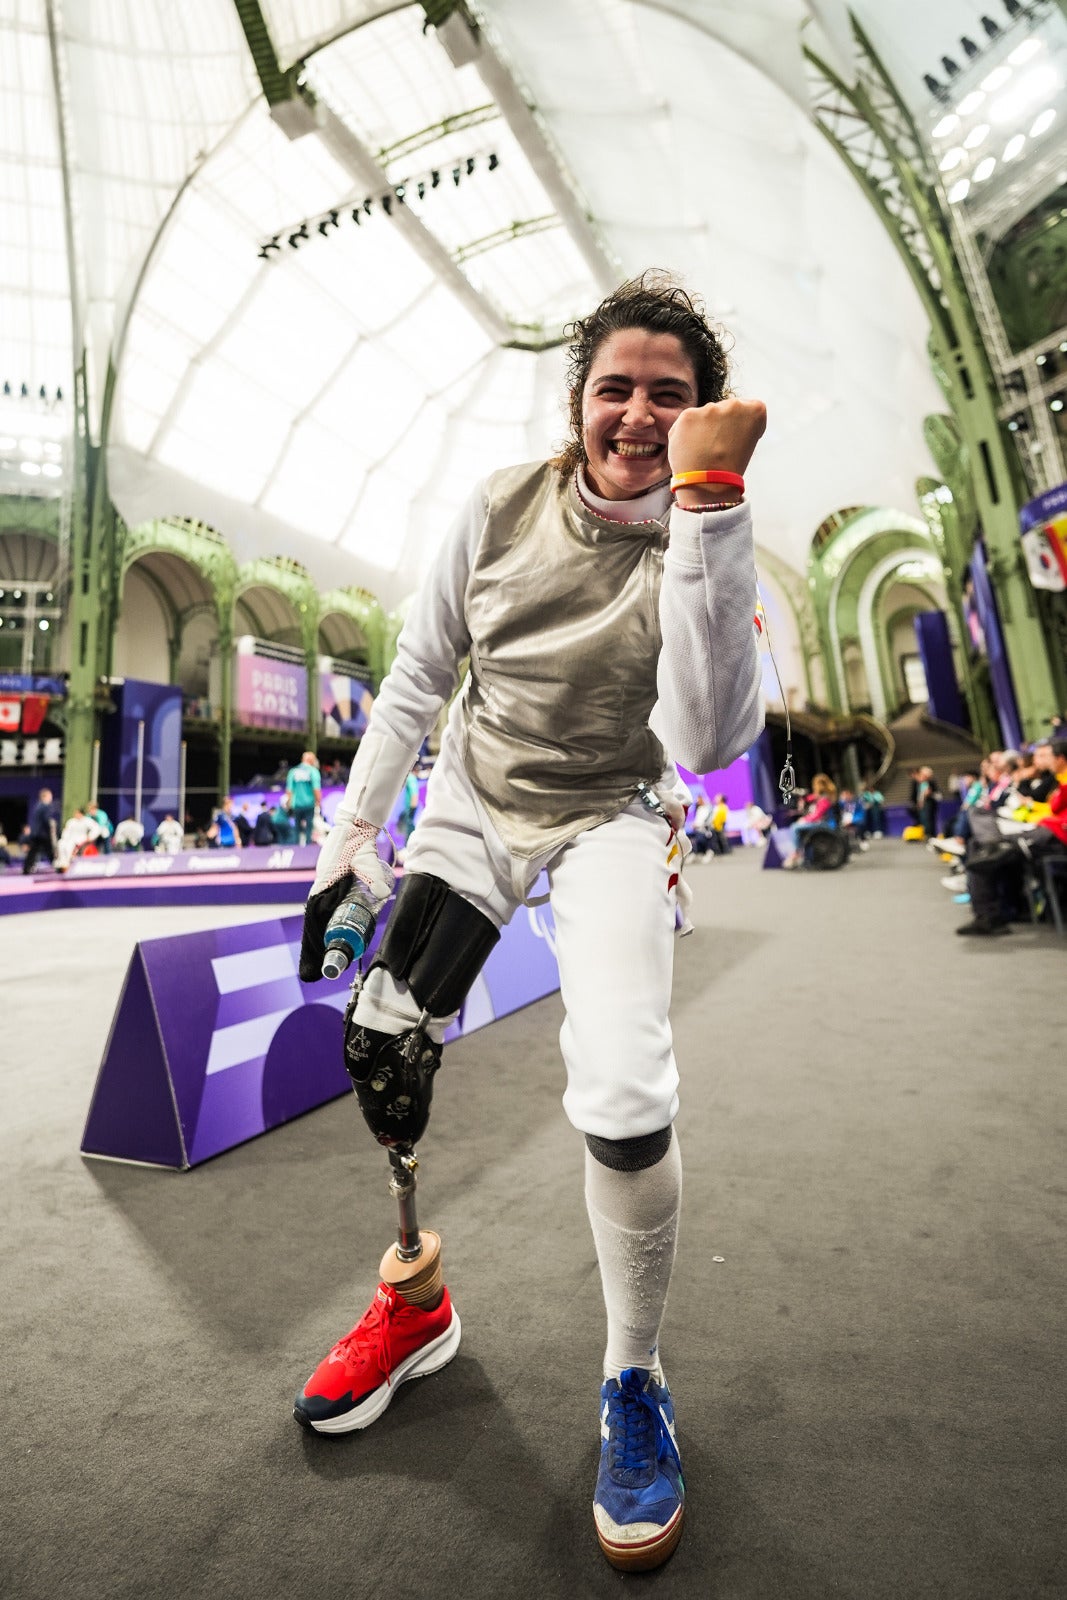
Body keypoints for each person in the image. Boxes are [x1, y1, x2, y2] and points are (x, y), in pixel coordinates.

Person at [294, 273, 766, 1572]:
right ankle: (413, 1303)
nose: (633, 412)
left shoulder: (699, 538)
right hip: (475, 803)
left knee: (621, 1093)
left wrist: (710, 514)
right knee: (382, 1046)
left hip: (611, 813)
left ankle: (632, 1377)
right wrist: (350, 848)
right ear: (576, 400)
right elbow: (415, 677)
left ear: (698, 418)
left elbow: (707, 737)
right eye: (613, 386)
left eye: (665, 396)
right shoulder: (499, 504)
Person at [958, 738, 1067, 935]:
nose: (1041, 761)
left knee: (981, 844)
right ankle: (989, 913)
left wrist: (1032, 805)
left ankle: (989, 915)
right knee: (978, 831)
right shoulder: (1058, 782)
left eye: (1046, 756)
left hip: (1053, 837)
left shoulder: (1060, 782)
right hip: (1040, 829)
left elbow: (1053, 814)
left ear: (1060, 758)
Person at [781, 774, 837, 868]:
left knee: (795, 827)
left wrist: (804, 819)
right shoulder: (825, 796)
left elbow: (817, 815)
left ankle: (796, 853)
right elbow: (810, 798)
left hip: (825, 824)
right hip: (822, 822)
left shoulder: (824, 799)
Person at [286, 752, 322, 845]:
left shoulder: (293, 771)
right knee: (309, 827)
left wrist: (289, 803)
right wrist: (318, 801)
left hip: (296, 804)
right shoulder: (313, 771)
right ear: (311, 760)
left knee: (296, 827)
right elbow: (316, 789)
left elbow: (289, 790)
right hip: (309, 804)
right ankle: (308, 847)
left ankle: (296, 847)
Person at [20, 788, 58, 874]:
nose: (51, 798)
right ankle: (57, 866)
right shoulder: (45, 806)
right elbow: (45, 820)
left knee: (33, 851)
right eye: (50, 795)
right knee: (49, 850)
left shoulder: (38, 806)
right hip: (42, 834)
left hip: (37, 833)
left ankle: (26, 869)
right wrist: (49, 830)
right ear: (46, 796)